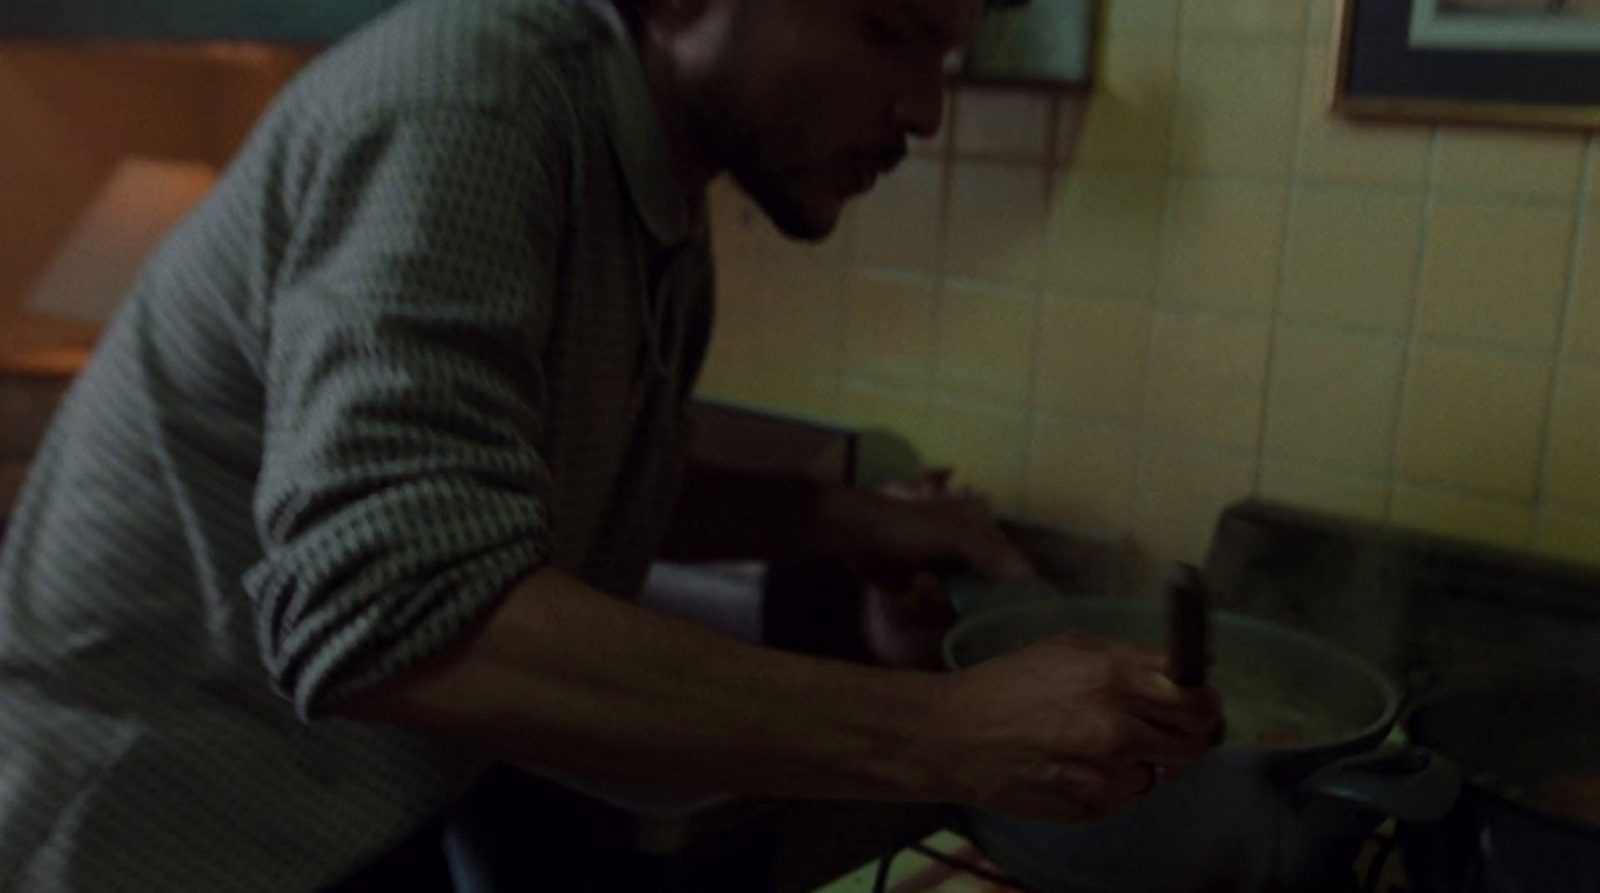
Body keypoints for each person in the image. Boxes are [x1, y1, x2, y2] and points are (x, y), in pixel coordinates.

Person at [0, 0, 1223, 890]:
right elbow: (389, 604)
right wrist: (950, 730)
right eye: (888, 29)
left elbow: (548, 470)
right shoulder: (468, 103)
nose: (924, 110)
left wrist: (846, 524)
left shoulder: (649, 176)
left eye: (946, 51)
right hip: (139, 825)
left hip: (340, 814)